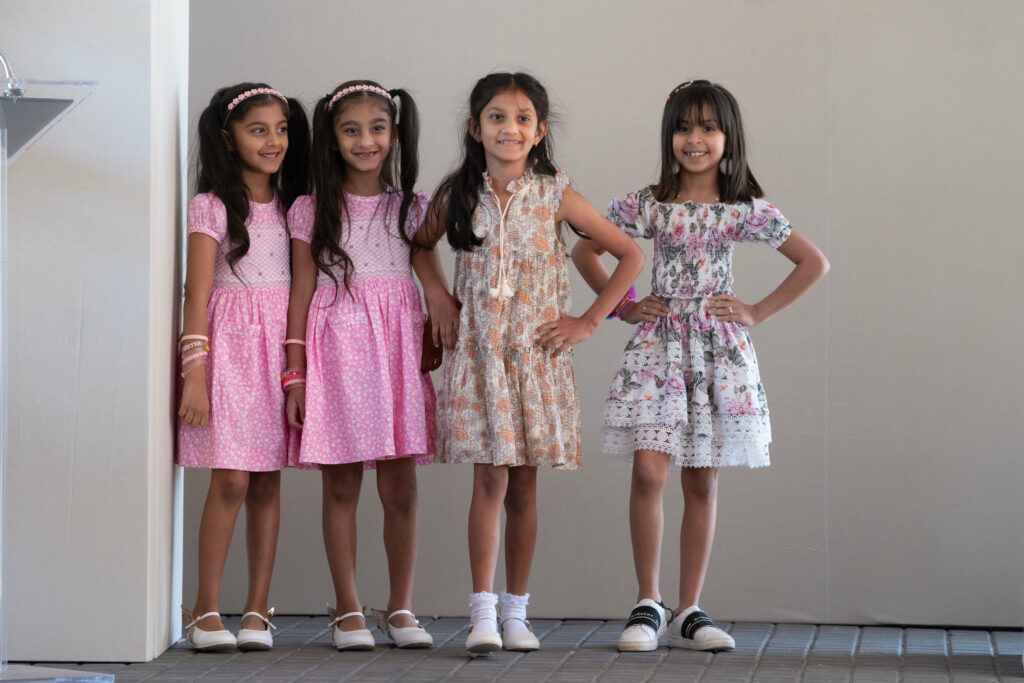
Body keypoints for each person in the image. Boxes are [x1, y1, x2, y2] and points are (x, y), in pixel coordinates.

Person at [572, 79, 829, 652]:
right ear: (670, 136)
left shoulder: (743, 208)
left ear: (728, 136)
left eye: (709, 127)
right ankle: (648, 602)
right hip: (659, 349)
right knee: (647, 471)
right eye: (685, 127)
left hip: (717, 354)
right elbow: (585, 246)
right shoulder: (649, 204)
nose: (696, 139)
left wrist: (756, 311)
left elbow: (814, 262)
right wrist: (625, 307)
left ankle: (690, 609)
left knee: (701, 480)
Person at [413, 72, 644, 653]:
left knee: (522, 489)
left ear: (539, 132)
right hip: (482, 357)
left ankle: (517, 612)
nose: (508, 128)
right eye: (496, 117)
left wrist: (591, 320)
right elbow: (419, 244)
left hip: (536, 360)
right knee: (488, 478)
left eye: (521, 119)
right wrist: (438, 295)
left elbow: (629, 253)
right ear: (475, 128)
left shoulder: (555, 193)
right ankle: (482, 613)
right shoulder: (457, 194)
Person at [284, 80, 435, 650]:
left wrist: (438, 309)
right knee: (342, 485)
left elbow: (429, 277)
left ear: (394, 134)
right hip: (336, 355)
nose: (365, 140)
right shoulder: (309, 208)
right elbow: (300, 293)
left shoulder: (411, 207)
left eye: (377, 128)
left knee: (400, 489)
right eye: (351, 130)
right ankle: (348, 609)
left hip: (396, 355)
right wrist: (294, 374)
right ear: (332, 137)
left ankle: (400, 608)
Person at [178, 83, 309, 651]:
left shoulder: (295, 206)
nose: (274, 141)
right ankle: (207, 611)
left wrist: (297, 368)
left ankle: (257, 610)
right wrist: (194, 374)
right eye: (259, 130)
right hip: (228, 352)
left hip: (277, 350)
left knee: (265, 482)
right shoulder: (210, 206)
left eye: (280, 129)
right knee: (229, 478)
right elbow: (196, 294)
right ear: (228, 139)